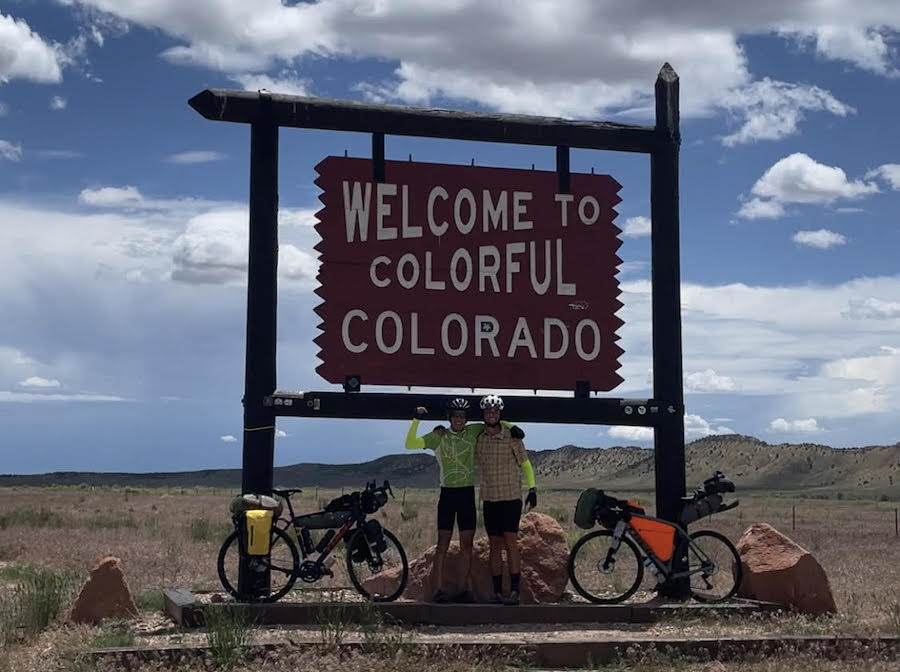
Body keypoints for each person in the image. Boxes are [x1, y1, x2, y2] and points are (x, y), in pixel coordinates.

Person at [406, 398, 524, 603]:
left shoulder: (473, 431)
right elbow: (410, 443)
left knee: (466, 545)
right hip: (448, 494)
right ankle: (438, 589)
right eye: (455, 416)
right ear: (449, 417)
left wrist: (514, 428)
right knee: (442, 544)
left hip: (467, 494)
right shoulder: (439, 436)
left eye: (462, 416)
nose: (459, 420)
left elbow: (494, 419)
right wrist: (416, 419)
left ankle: (464, 589)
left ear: (466, 419)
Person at [475, 394, 537, 606]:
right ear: (483, 414)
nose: (491, 415)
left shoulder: (513, 436)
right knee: (494, 545)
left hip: (511, 497)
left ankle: (515, 590)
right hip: (490, 498)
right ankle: (497, 592)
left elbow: (525, 464)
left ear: (500, 414)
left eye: (495, 412)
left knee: (511, 543)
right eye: (488, 412)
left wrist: (533, 488)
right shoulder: (479, 437)